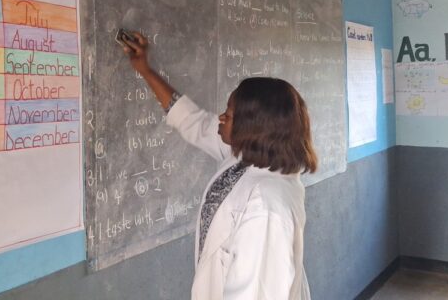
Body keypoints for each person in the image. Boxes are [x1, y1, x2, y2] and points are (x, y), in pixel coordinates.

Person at [121, 31, 316, 300]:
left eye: (230, 113)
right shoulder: (245, 158)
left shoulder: (267, 205)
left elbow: (256, 293)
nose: (221, 117)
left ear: (253, 126)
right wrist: (145, 69)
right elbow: (194, 122)